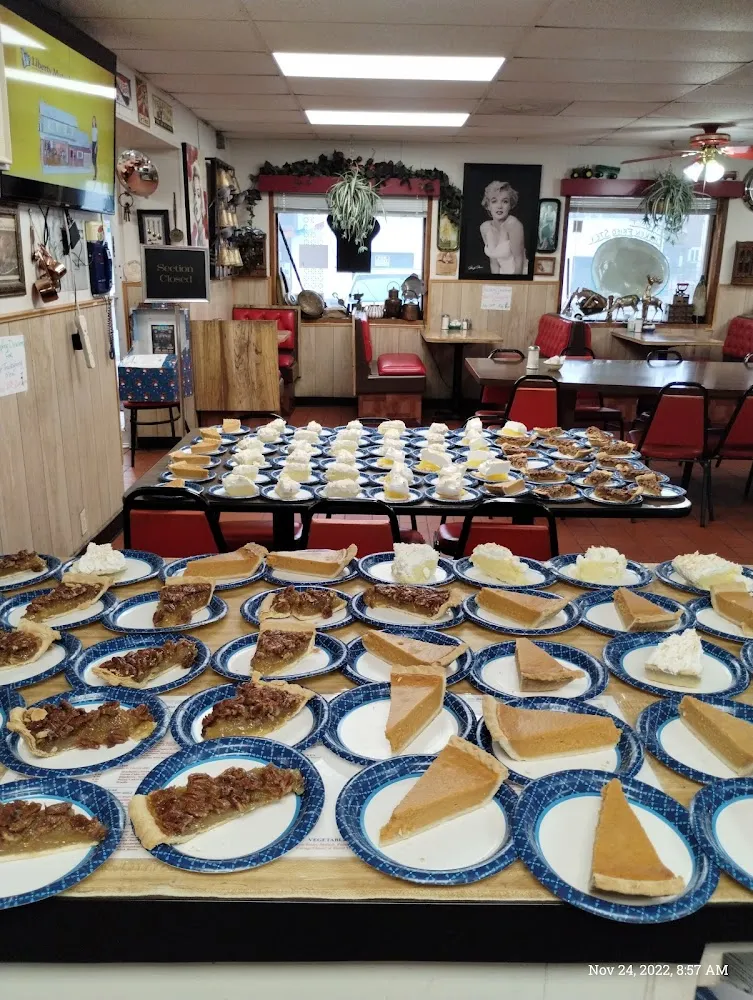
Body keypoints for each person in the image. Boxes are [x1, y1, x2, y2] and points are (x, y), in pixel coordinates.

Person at [479, 180, 525, 274]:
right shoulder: (485, 227)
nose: (499, 206)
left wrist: (515, 285)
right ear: (488, 205)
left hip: (518, 275)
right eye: (494, 201)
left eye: (505, 201)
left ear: (510, 205)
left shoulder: (513, 224)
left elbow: (519, 261)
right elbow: (494, 263)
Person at [191, 162, 207, 247]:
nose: (196, 199)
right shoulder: (193, 227)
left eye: (198, 193)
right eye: (194, 193)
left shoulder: (202, 228)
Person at [91, 116, 98, 180]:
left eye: (94, 121)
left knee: (94, 162)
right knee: (93, 161)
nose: (93, 123)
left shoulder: (96, 129)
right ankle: (94, 175)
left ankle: (95, 175)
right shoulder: (92, 129)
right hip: (93, 143)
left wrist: (96, 147)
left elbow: (97, 140)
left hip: (95, 144)